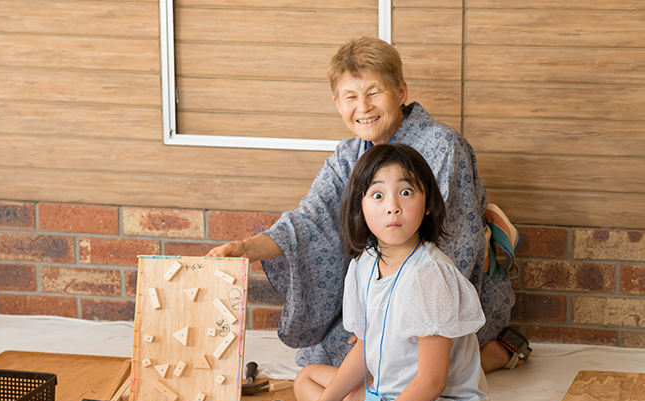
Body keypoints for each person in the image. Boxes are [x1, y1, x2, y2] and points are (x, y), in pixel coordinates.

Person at [207, 36, 528, 372]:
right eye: (350, 96)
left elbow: (456, 243)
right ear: (337, 103)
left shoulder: (441, 145)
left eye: (374, 92)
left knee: (394, 362)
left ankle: (491, 352)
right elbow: (310, 221)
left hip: (435, 290)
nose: (363, 106)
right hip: (382, 288)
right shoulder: (347, 156)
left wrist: (387, 320)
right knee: (318, 357)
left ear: (400, 93)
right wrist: (247, 248)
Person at [210, 143, 489, 401]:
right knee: (308, 378)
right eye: (378, 195)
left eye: (406, 192)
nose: (393, 207)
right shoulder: (364, 264)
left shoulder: (430, 275)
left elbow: (431, 383)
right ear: (361, 206)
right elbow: (364, 347)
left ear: (428, 204)